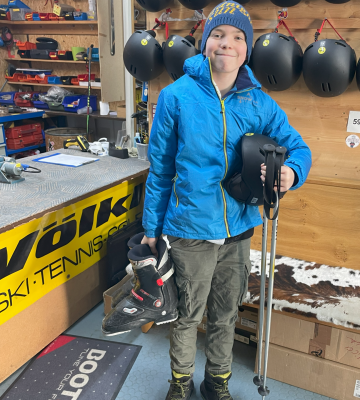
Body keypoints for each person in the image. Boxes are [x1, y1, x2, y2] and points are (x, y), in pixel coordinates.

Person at [141, 1, 312, 399]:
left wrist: (291, 172)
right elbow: (160, 170)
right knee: (187, 314)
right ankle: (180, 382)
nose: (227, 44)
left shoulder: (258, 101)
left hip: (238, 228)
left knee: (225, 314)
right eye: (218, 34)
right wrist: (152, 226)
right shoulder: (176, 97)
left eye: (237, 37)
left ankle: (216, 382)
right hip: (190, 230)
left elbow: (298, 147)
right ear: (206, 42)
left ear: (246, 47)